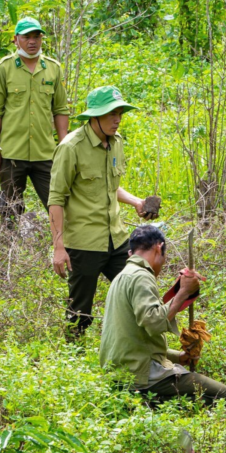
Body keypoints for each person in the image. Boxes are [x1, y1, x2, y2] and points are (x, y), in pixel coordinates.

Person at [49, 86, 153, 339]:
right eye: (110, 114)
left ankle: (134, 348)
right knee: (79, 311)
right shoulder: (71, 147)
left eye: (119, 113)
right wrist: (58, 246)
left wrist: (137, 202)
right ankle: (73, 357)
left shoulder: (115, 143)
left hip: (116, 238)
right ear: (94, 116)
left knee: (136, 288)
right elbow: (56, 199)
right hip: (84, 242)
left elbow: (110, 187)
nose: (117, 119)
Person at [99, 225, 226, 405]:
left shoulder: (121, 277)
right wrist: (183, 292)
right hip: (140, 376)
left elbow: (136, 342)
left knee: (191, 395)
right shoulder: (141, 276)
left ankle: (146, 404)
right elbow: (153, 323)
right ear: (159, 248)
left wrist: (179, 357)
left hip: (120, 374)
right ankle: (150, 403)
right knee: (222, 394)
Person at [0, 17, 69, 219]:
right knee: (10, 210)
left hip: (45, 153)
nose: (32, 42)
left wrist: (64, 145)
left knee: (57, 205)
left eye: (36, 37)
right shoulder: (3, 68)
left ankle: (62, 248)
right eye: (27, 37)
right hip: (12, 153)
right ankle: (8, 249)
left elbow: (60, 109)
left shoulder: (53, 68)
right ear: (16, 40)